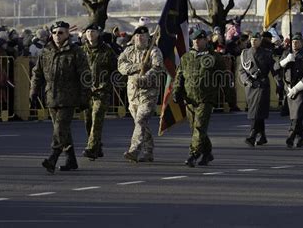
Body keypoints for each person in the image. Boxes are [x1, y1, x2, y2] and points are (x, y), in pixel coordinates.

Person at [30, 21, 90, 173]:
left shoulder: (75, 51)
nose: (57, 35)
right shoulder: (46, 51)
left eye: (61, 32)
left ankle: (53, 157)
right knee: (63, 130)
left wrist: (85, 96)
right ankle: (71, 160)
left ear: (67, 34)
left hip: (69, 97)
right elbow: (37, 73)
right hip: (51, 96)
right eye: (55, 32)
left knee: (60, 129)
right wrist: (33, 91)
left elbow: (85, 75)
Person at [173, 29, 226, 167]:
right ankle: (207, 153)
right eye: (194, 39)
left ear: (206, 40)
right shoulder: (186, 57)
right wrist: (176, 92)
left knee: (199, 127)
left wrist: (226, 95)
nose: (196, 41)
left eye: (199, 39)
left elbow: (223, 76)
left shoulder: (214, 58)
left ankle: (193, 154)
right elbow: (180, 76)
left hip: (206, 98)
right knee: (196, 129)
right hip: (189, 99)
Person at [117, 26, 163, 163]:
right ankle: (148, 151)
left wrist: (145, 76)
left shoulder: (154, 51)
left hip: (148, 93)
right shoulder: (129, 50)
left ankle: (134, 150)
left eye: (143, 35)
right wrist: (137, 67)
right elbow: (121, 66)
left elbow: (158, 67)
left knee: (141, 120)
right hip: (133, 94)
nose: (139, 38)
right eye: (137, 35)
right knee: (141, 124)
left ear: (148, 37)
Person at [81, 23, 117, 160]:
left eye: (93, 31)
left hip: (102, 90)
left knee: (97, 119)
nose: (90, 33)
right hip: (85, 91)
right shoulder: (80, 50)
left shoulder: (106, 51)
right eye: (88, 31)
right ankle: (97, 146)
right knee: (88, 121)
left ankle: (91, 148)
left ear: (98, 34)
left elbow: (116, 67)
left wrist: (114, 82)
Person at [275, 33, 303, 148]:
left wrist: (296, 89)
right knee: (294, 115)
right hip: (288, 88)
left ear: (301, 43)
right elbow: (276, 68)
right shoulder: (286, 53)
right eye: (293, 42)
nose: (294, 44)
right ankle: (301, 138)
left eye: (297, 42)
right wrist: (286, 60)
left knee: (296, 114)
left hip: (300, 88)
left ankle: (291, 136)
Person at [238, 32, 276, 147]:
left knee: (256, 110)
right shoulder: (245, 53)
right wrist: (246, 80)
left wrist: (280, 83)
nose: (254, 41)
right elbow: (241, 70)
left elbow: (274, 69)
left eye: (256, 39)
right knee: (257, 111)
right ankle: (262, 136)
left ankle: (252, 135)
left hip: (262, 85)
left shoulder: (267, 53)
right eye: (252, 39)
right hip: (251, 86)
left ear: (260, 41)